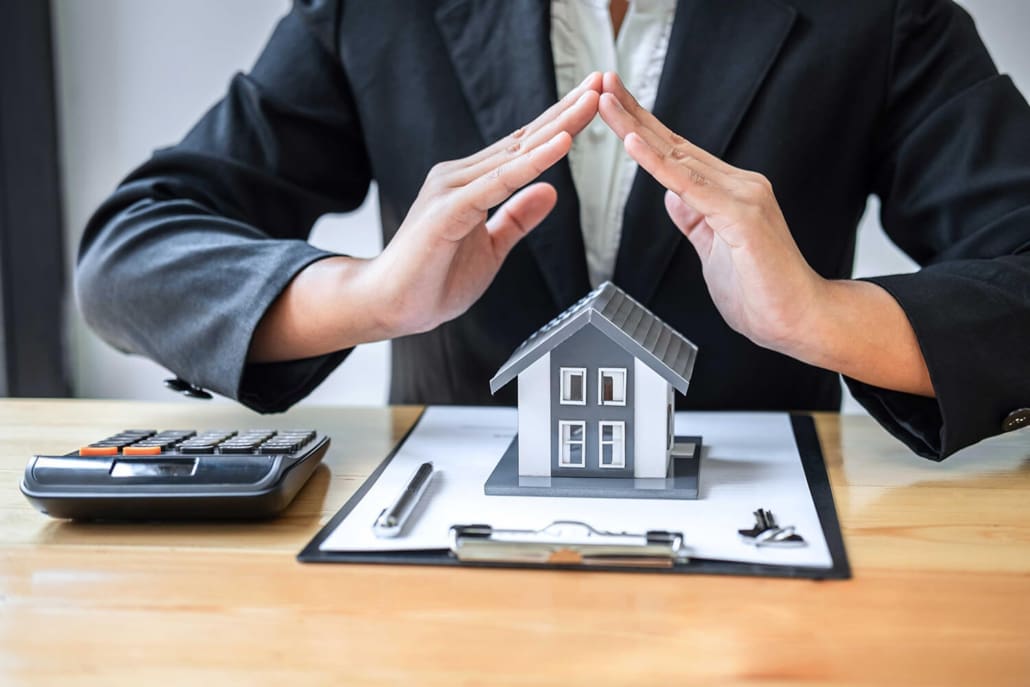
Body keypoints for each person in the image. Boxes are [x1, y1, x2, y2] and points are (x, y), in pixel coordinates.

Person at [77, 0, 1030, 460]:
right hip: (445, 567)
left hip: (769, 569)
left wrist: (825, 317)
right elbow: (133, 251)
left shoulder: (880, 13)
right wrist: (367, 295)